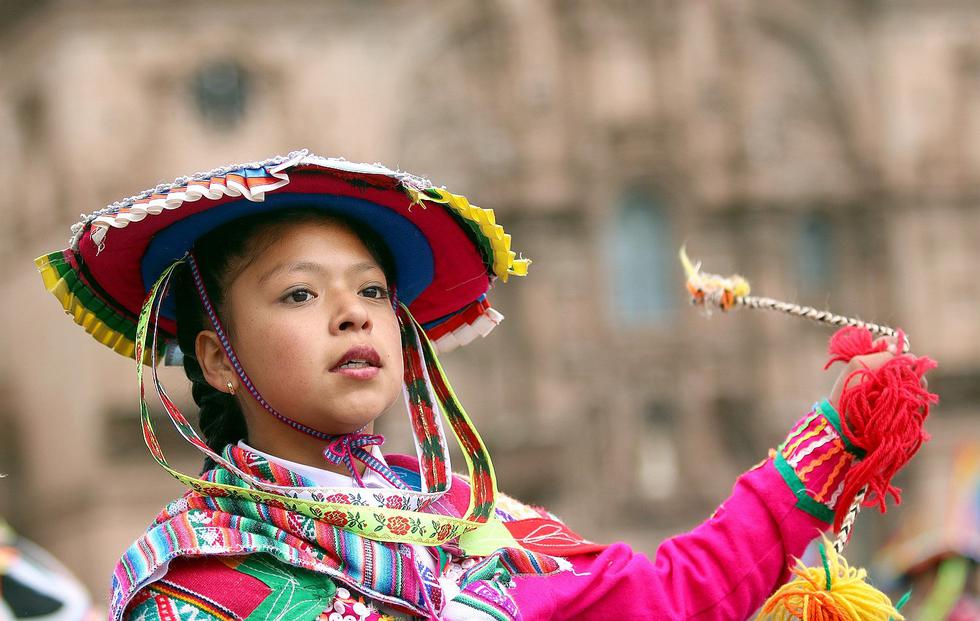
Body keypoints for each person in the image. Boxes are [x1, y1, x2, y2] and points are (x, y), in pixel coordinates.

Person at [36, 151, 931, 620]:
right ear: (218, 356)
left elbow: (665, 597)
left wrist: (835, 443)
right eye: (301, 294)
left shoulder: (478, 527)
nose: (353, 317)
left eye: (374, 293)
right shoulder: (194, 587)